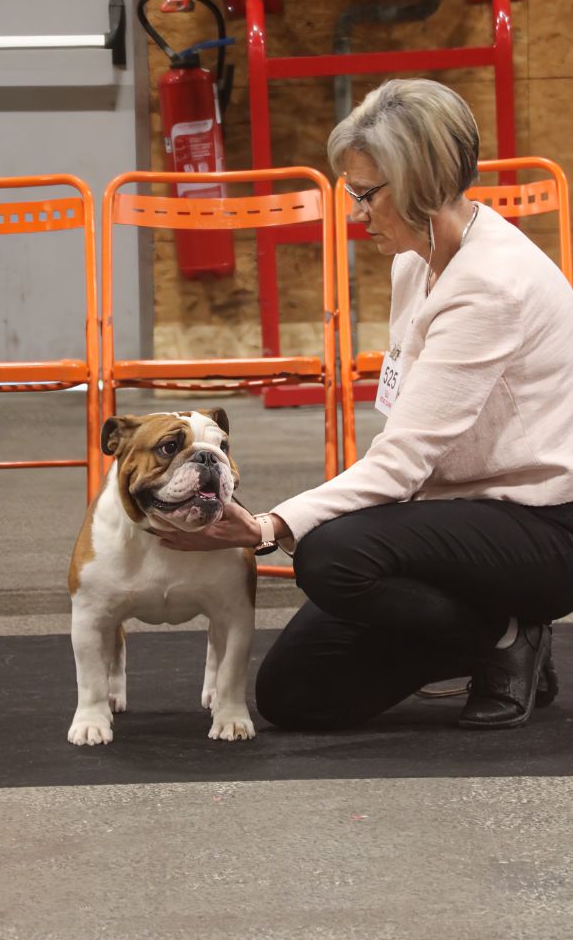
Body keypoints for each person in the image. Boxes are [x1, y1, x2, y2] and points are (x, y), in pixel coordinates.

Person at [153, 78, 573, 732]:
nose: (357, 211)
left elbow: (401, 462)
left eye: (366, 194)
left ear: (419, 186)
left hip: (544, 525)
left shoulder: (489, 287)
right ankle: (486, 633)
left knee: (328, 556)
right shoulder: (417, 255)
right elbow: (406, 423)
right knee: (294, 696)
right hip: (456, 511)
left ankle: (504, 635)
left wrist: (268, 527)